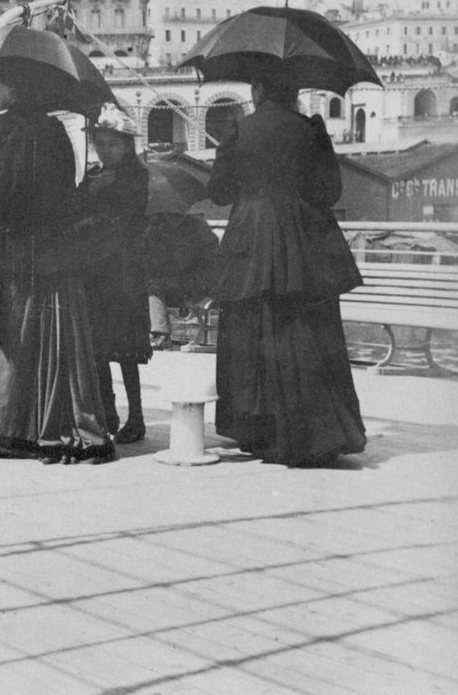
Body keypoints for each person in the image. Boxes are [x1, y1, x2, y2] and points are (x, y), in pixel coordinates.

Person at [0, 65, 115, 464]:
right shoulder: (55, 131)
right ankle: (36, 426)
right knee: (43, 344)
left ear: (13, 85)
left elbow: (4, 199)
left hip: (8, 251)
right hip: (49, 251)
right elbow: (60, 190)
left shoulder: (5, 130)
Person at [208, 71, 367, 467]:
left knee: (252, 331)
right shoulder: (312, 129)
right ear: (295, 91)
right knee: (308, 331)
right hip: (303, 240)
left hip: (252, 236)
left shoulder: (240, 130)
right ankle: (318, 432)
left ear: (258, 89)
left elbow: (220, 193)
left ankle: (261, 433)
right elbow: (330, 191)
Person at [79, 107, 152, 443]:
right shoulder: (93, 177)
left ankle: (136, 417)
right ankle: (107, 412)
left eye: (112, 145)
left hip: (123, 271)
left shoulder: (136, 176)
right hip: (96, 271)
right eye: (101, 144)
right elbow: (76, 210)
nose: (105, 151)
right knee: (97, 346)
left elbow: (130, 219)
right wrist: (92, 193)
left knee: (125, 349)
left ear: (126, 147)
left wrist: (100, 203)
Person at [143, 210, 219, 349]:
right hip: (182, 280)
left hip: (199, 281)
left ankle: (161, 334)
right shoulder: (162, 227)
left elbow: (198, 260)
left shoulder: (196, 227)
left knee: (154, 287)